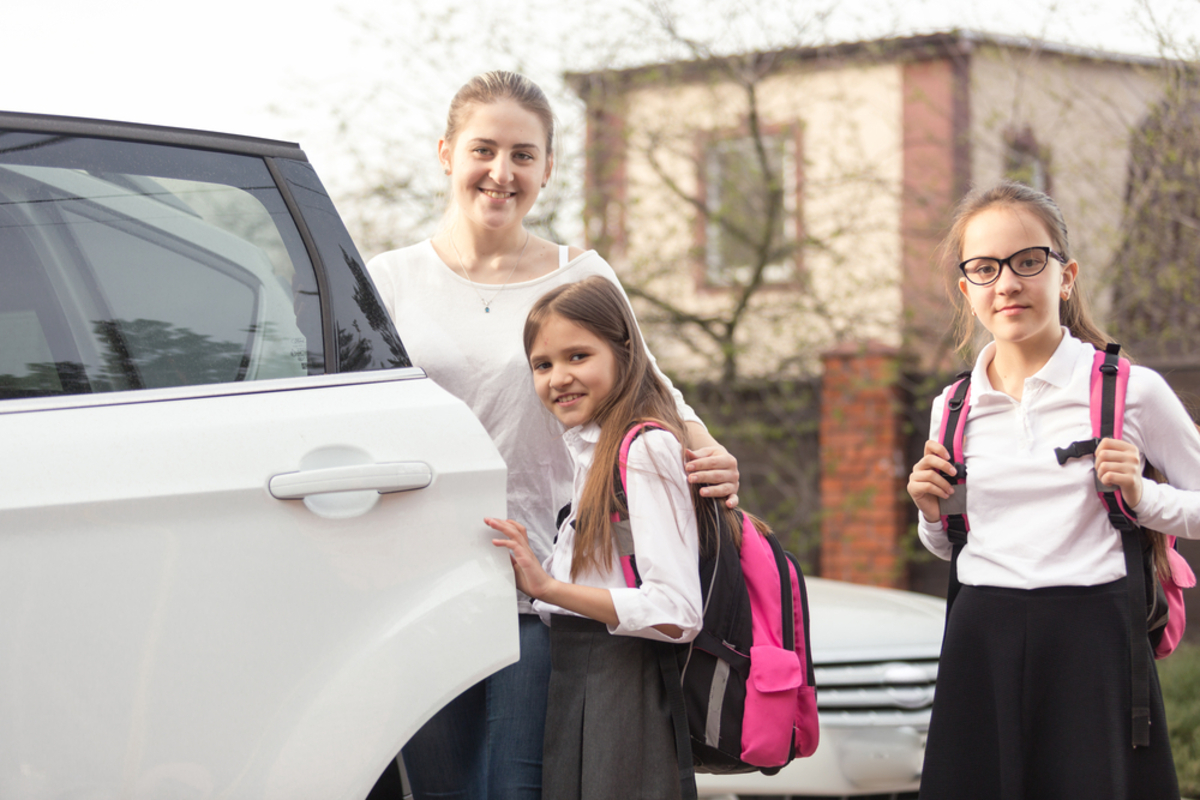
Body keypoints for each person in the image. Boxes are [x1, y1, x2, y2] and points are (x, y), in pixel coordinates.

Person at [366, 71, 739, 800]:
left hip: (540, 589)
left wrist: (707, 446)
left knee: (515, 790)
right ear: (446, 153)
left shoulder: (580, 273)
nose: (501, 173)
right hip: (419, 580)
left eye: (524, 155)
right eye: (484, 149)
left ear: (546, 167)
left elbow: (651, 381)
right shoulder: (389, 279)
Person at [906, 180, 1199, 800]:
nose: (1006, 283)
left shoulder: (1130, 391)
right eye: (985, 269)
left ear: (1064, 276)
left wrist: (1146, 500)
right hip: (979, 638)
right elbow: (952, 544)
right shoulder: (952, 407)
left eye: (1027, 262)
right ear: (968, 290)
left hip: (1093, 643)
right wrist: (932, 516)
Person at [488, 275, 705, 800]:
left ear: (626, 353)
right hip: (584, 683)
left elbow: (678, 611)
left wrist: (546, 587)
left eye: (578, 356)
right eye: (543, 364)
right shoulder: (592, 452)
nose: (559, 377)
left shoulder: (645, 450)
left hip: (621, 690)